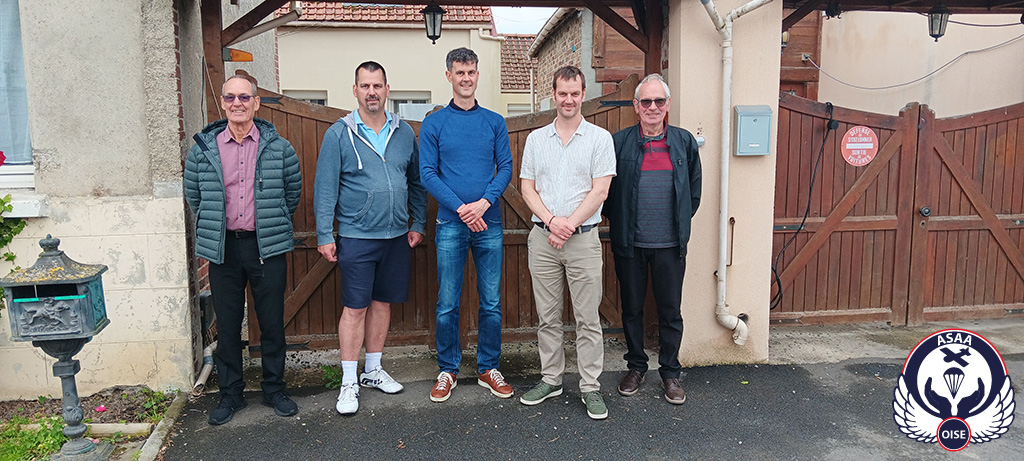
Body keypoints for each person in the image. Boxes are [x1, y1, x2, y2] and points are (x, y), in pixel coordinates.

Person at [184, 75, 302, 426]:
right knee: (228, 323)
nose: (237, 103)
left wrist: (268, 222)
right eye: (231, 97)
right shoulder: (203, 149)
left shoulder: (279, 148)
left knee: (271, 322)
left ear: (256, 103)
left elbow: (291, 194)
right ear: (223, 102)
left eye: (244, 97)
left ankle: (274, 389)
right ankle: (231, 394)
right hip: (224, 249)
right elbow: (195, 196)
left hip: (265, 245)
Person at [313, 61, 427, 415]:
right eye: (365, 86)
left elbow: (416, 182)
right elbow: (325, 188)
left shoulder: (404, 132)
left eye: (377, 86)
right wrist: (324, 233)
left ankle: (373, 370)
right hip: (357, 236)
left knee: (383, 304)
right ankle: (349, 380)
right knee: (355, 308)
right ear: (355, 90)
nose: (372, 92)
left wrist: (419, 222)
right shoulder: (338, 134)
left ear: (387, 90)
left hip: (396, 236)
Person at [518, 66, 617, 420]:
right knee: (547, 317)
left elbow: (600, 190)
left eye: (575, 93)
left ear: (583, 94)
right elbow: (527, 188)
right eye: (563, 93)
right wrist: (551, 222)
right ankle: (551, 379)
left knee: (587, 318)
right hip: (543, 238)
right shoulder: (536, 140)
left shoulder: (599, 139)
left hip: (583, 239)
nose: (569, 100)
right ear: (554, 94)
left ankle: (590, 386)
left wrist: (568, 225)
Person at [419, 47, 514, 402]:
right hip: (450, 224)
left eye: (471, 72)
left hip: (489, 224)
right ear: (449, 76)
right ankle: (448, 369)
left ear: (477, 75)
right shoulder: (435, 123)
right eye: (460, 72)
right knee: (447, 303)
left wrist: (484, 203)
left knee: (491, 302)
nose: (466, 78)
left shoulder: (494, 121)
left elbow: (505, 167)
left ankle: (489, 368)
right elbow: (428, 173)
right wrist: (462, 209)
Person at [605, 73, 702, 405]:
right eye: (645, 101)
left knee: (670, 311)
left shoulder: (684, 142)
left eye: (659, 101)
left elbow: (693, 193)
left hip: (671, 245)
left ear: (667, 104)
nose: (652, 107)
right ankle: (636, 367)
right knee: (632, 309)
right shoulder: (619, 143)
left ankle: (670, 373)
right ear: (636, 106)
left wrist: (676, 225)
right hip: (630, 244)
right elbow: (607, 195)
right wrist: (622, 223)